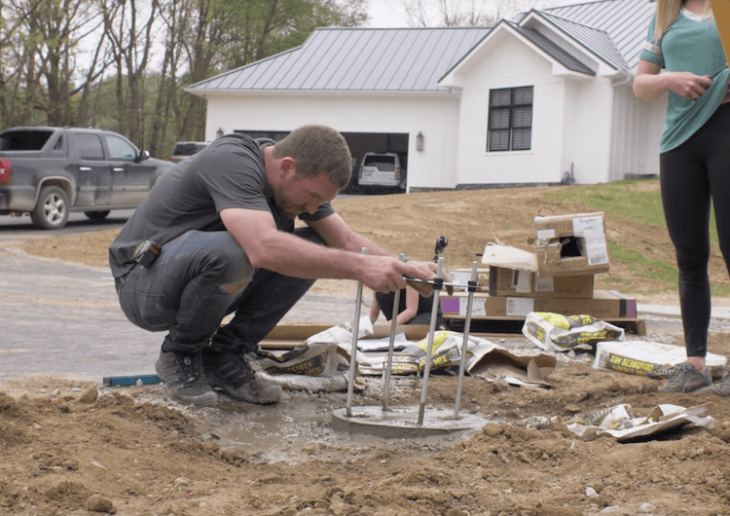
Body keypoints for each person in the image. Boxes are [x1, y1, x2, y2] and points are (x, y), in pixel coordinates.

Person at [109, 125, 438, 407]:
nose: (312, 207)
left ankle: (225, 355)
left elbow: (349, 243)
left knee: (315, 245)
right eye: (311, 196)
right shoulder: (233, 161)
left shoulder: (294, 183)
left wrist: (407, 270)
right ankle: (179, 354)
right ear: (287, 167)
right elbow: (263, 248)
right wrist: (359, 269)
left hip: (191, 278)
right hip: (142, 284)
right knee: (238, 250)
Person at [634, 0, 730, 393]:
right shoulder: (663, 16)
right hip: (678, 142)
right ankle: (695, 365)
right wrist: (669, 80)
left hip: (726, 130)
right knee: (689, 255)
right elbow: (640, 83)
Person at [368, 286, 443, 328]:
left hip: (424, 315)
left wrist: (385, 326)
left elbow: (411, 311)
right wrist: (362, 326)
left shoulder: (406, 274)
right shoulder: (378, 281)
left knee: (406, 333)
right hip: (398, 321)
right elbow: (373, 314)